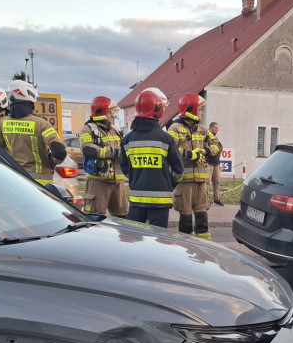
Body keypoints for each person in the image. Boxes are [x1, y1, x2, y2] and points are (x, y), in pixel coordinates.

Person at [120, 88, 183, 228]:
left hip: (136, 201)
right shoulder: (166, 139)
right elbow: (179, 170)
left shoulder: (127, 140)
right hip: (160, 203)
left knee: (135, 240)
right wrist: (168, 184)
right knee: (158, 243)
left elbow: (125, 168)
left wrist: (138, 177)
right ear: (158, 109)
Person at [168, 93, 218, 238]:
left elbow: (217, 144)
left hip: (201, 182)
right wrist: (189, 154)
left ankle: (205, 250)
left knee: (203, 222)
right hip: (184, 182)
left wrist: (208, 150)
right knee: (186, 222)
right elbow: (171, 150)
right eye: (200, 109)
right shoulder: (175, 128)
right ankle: (185, 252)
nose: (202, 112)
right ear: (191, 109)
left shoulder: (202, 129)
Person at [0, 80, 67, 177]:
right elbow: (59, 152)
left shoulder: (2, 123)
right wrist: (51, 162)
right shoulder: (42, 124)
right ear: (31, 102)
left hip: (14, 177)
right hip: (40, 180)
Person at [78, 96, 128, 217]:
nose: (113, 115)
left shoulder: (114, 129)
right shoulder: (87, 129)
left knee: (123, 218)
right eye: (110, 112)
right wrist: (113, 152)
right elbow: (86, 149)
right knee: (95, 218)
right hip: (98, 182)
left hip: (118, 182)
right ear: (101, 113)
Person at [206, 122, 224, 205]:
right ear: (211, 128)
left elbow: (220, 148)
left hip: (216, 163)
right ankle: (205, 200)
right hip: (209, 163)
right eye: (216, 128)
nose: (218, 130)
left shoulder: (216, 139)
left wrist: (219, 164)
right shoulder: (206, 137)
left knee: (216, 182)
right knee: (207, 182)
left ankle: (216, 199)